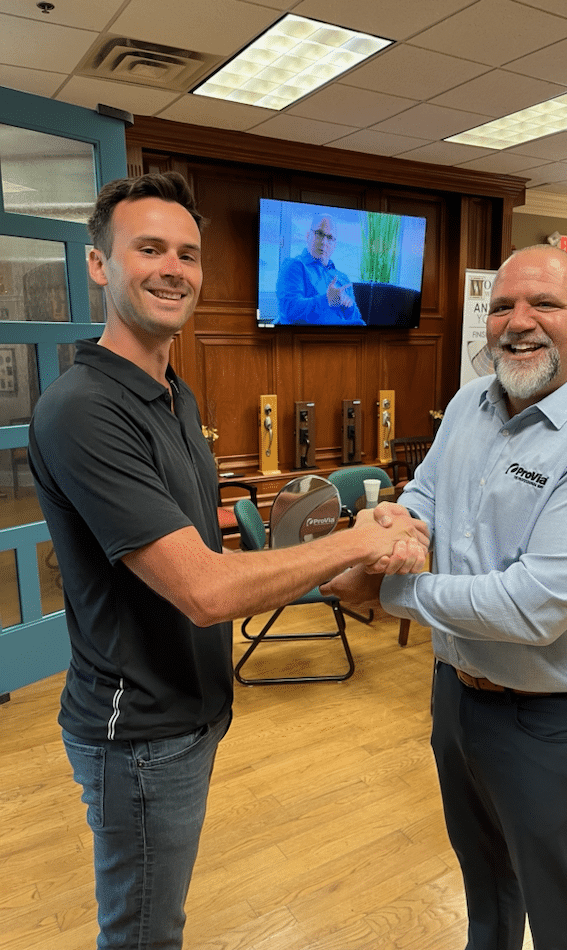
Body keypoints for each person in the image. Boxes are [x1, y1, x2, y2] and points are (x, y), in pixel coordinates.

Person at [28, 172, 427, 950]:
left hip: (193, 711)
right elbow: (206, 592)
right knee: (145, 932)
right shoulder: (85, 409)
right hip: (137, 731)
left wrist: (340, 572)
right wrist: (359, 538)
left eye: (187, 253)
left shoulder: (173, 394)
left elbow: (207, 553)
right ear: (100, 265)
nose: (172, 268)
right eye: (148, 248)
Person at [322, 245, 567, 950]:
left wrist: (386, 587)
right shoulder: (468, 403)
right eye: (502, 305)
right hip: (455, 697)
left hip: (556, 722)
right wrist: (391, 526)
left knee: (562, 915)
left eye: (543, 304)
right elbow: (424, 497)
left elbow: (532, 606)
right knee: (485, 893)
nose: (518, 322)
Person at [275, 212, 365, 325]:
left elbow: (356, 319)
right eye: (319, 233)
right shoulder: (294, 266)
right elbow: (289, 310)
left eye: (330, 237)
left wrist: (349, 306)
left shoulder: (343, 278)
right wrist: (326, 300)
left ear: (335, 245)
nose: (323, 242)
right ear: (308, 235)